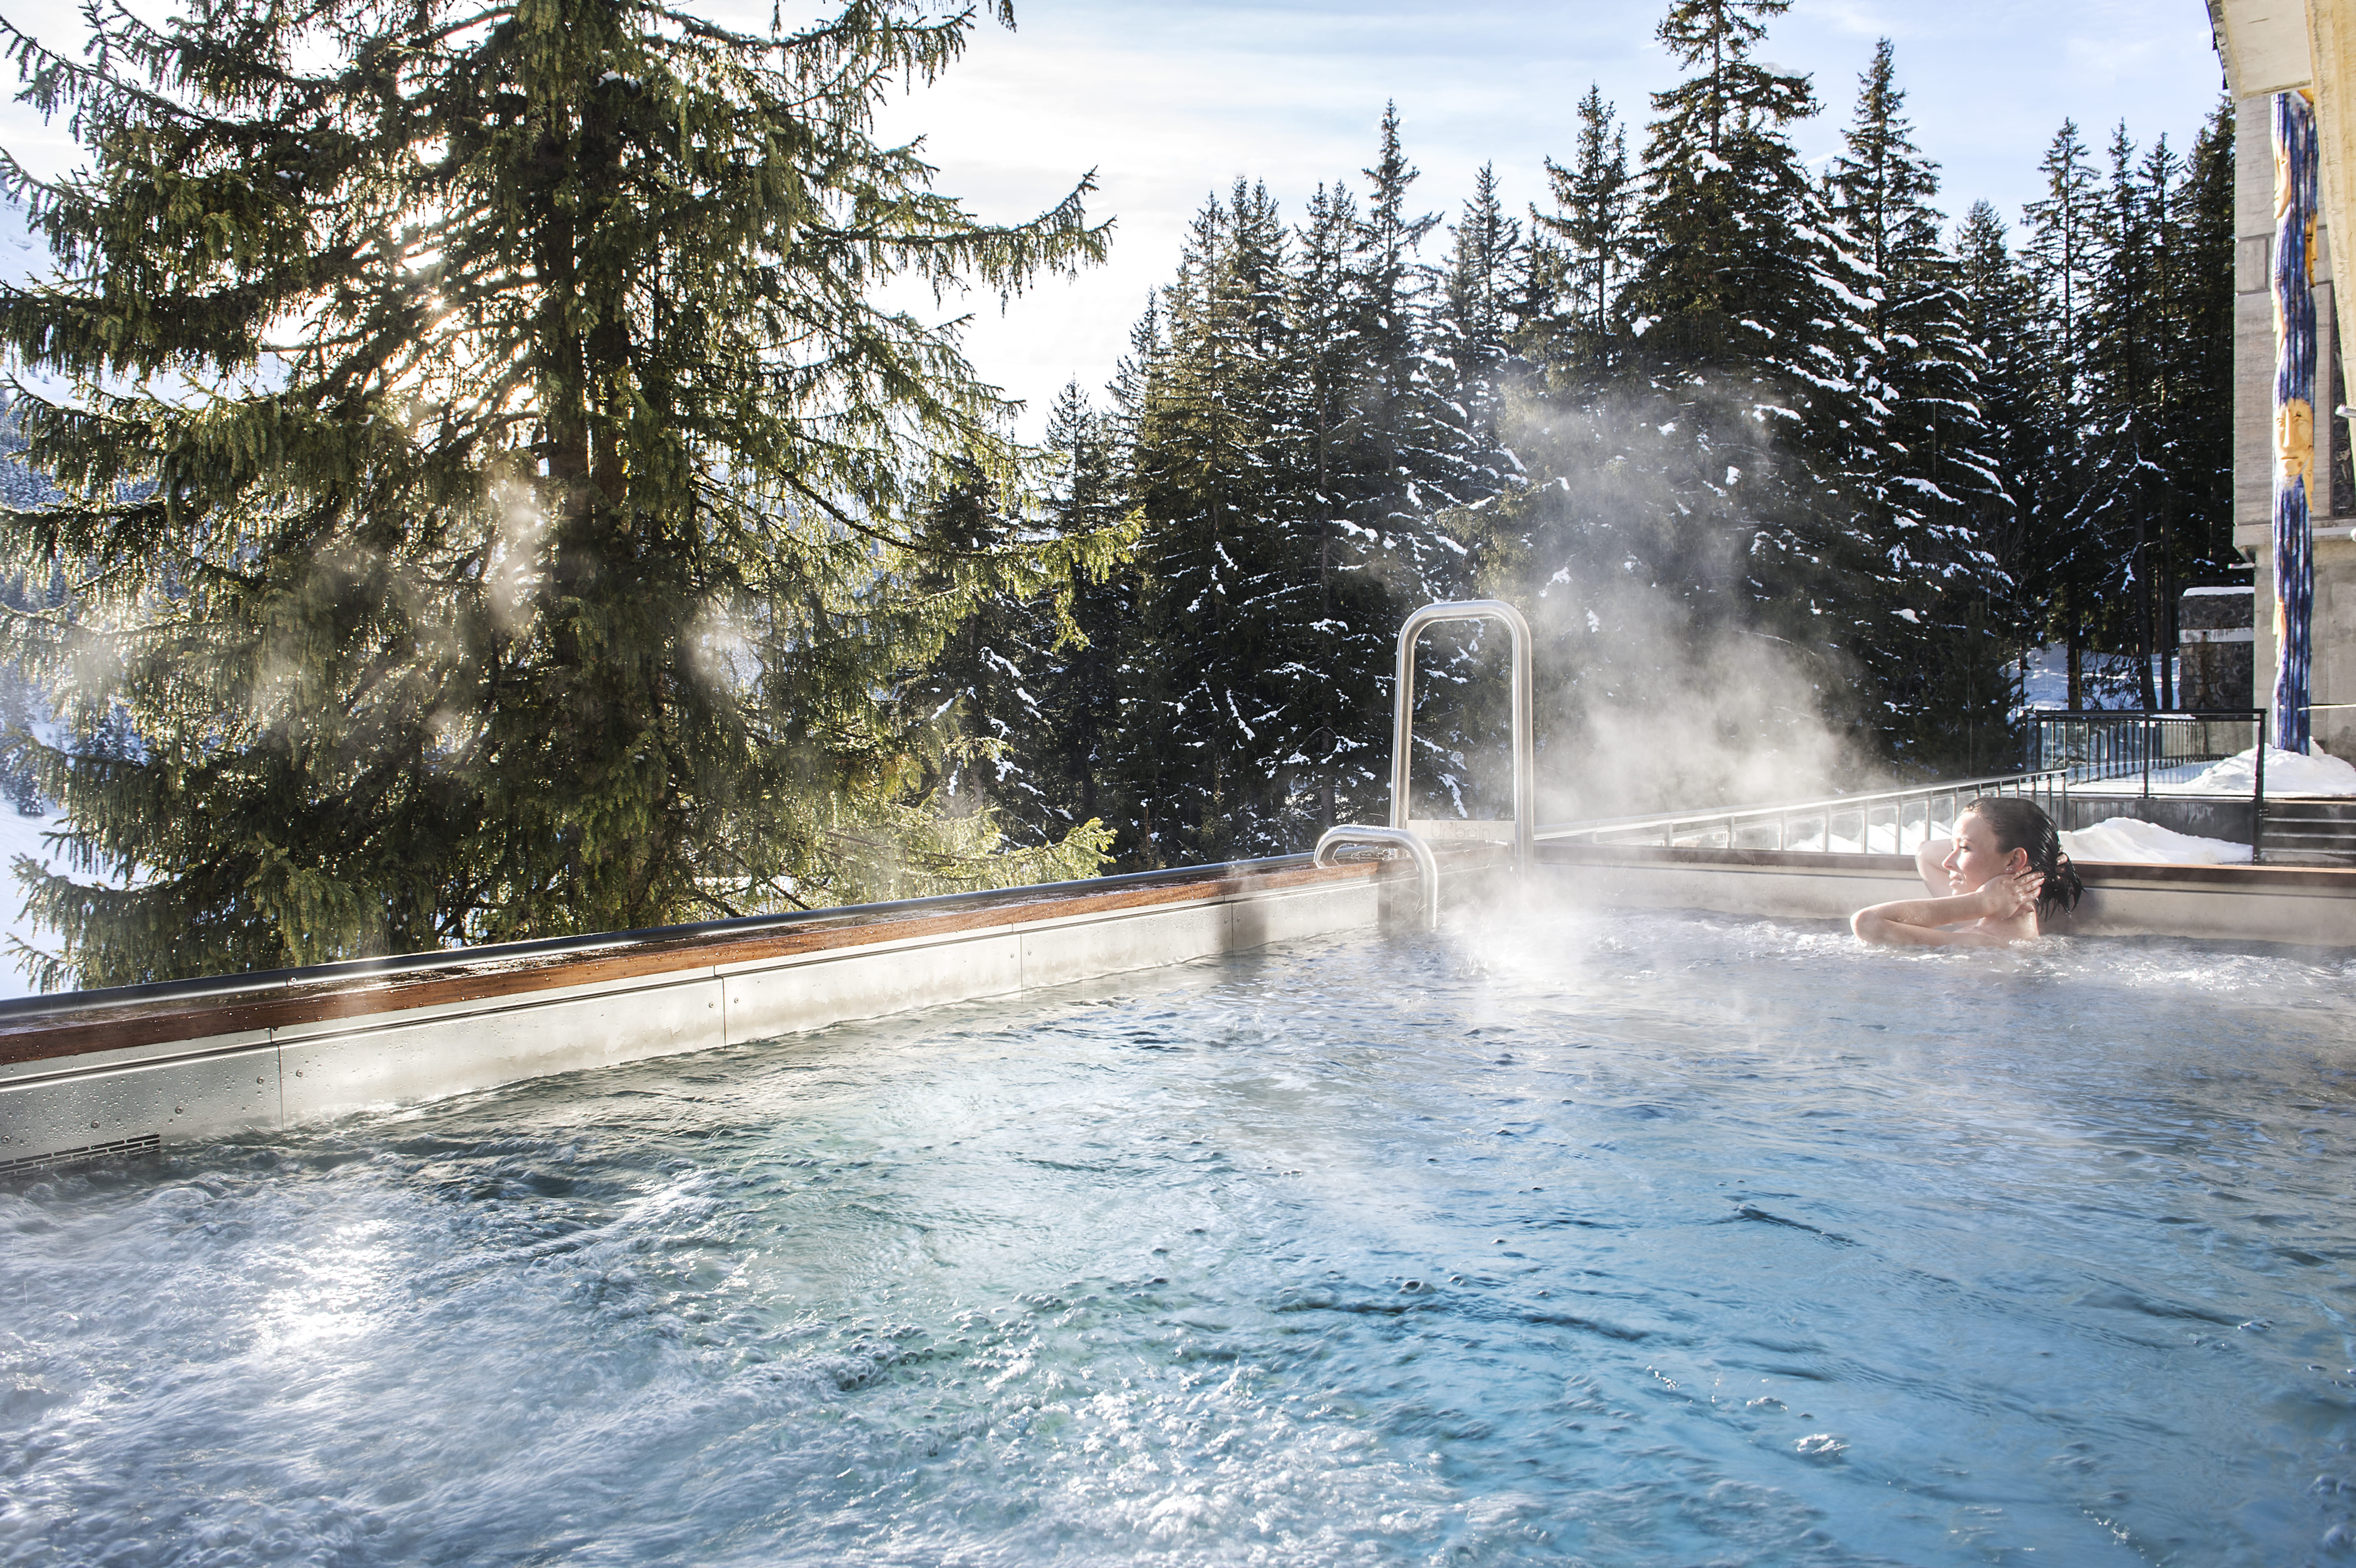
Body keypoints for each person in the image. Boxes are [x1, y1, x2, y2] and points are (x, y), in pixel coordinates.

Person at [1850, 795, 2084, 948]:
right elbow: (1926, 854)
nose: (1947, 863)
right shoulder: (1990, 922)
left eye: (1964, 849)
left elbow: (1867, 923)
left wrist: (1982, 903)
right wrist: (2046, 859)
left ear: (2014, 860)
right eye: (1954, 848)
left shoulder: (1990, 947)